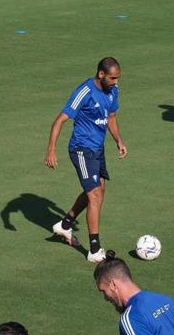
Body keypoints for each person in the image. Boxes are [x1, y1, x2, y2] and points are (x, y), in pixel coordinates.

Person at [46, 57, 127, 263]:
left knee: (99, 190)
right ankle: (94, 249)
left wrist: (119, 141)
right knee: (95, 196)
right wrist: (51, 150)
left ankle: (64, 225)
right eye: (113, 78)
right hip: (81, 149)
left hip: (97, 149)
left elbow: (111, 118)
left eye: (118, 78)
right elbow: (60, 119)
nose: (116, 82)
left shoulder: (113, 91)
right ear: (101, 74)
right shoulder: (85, 91)